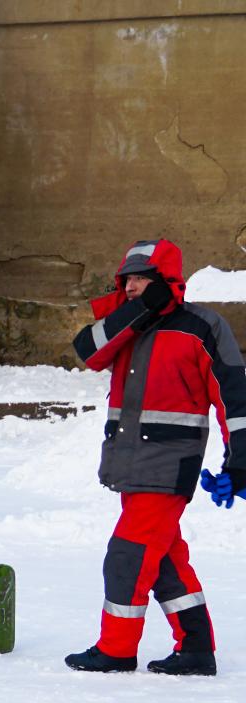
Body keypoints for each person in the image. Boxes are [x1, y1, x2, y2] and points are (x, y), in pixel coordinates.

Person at [63, 239, 246, 677]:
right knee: (163, 559)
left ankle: (116, 650)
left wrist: (240, 461)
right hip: (129, 465)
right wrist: (138, 309)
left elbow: (235, 399)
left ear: (166, 279)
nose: (129, 287)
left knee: (126, 555)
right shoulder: (128, 326)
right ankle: (197, 647)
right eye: (126, 279)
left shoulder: (204, 326)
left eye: (141, 278)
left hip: (168, 466)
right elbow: (88, 350)